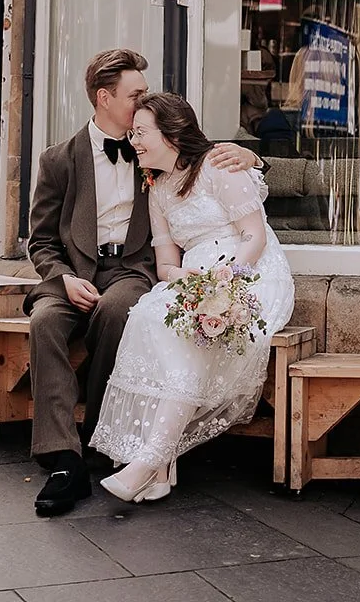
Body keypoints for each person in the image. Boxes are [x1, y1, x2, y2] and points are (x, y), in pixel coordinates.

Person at [26, 48, 263, 517]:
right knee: (45, 323)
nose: (143, 101)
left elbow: (200, 152)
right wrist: (66, 278)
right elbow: (41, 242)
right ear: (104, 97)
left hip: (131, 270)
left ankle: (101, 435)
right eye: (135, 95)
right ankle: (63, 458)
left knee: (120, 310)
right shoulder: (58, 160)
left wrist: (252, 154)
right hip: (73, 274)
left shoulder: (150, 144)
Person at [90, 90, 296, 502]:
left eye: (142, 133)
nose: (134, 142)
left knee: (185, 339)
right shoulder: (159, 189)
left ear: (172, 134)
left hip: (249, 270)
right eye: (132, 133)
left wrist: (227, 281)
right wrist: (183, 279)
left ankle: (149, 461)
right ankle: (160, 470)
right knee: (148, 319)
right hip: (195, 276)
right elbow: (166, 261)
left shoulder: (218, 167)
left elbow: (253, 235)